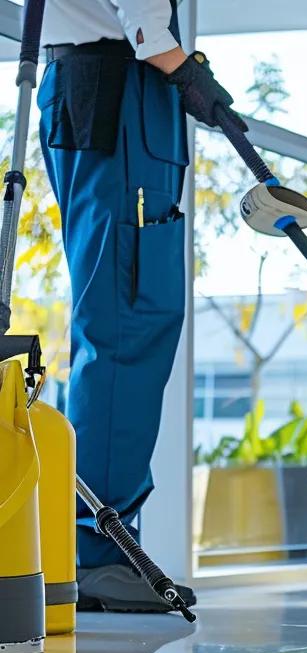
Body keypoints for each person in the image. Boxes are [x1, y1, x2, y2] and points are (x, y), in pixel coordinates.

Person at [38, 0, 247, 612]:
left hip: (95, 91)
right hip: (123, 95)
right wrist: (189, 73)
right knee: (128, 322)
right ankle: (99, 552)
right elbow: (145, 27)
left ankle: (96, 544)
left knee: (116, 318)